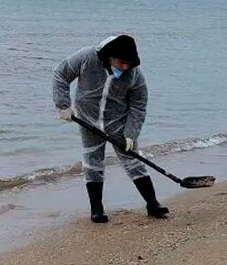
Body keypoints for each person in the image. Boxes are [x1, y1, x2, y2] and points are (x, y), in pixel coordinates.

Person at [52, 34, 168, 223]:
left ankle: (152, 203)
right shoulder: (87, 57)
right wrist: (62, 105)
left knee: (132, 160)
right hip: (88, 119)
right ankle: (97, 210)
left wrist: (131, 133)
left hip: (118, 122)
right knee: (93, 161)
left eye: (129, 63)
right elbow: (60, 74)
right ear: (109, 56)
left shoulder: (135, 74)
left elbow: (139, 104)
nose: (125, 67)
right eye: (121, 62)